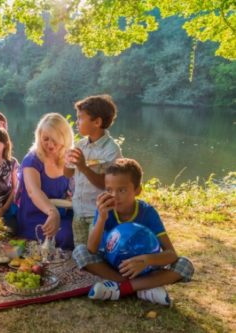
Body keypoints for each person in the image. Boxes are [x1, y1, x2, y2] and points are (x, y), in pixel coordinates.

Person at [72, 158, 194, 305]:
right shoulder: (104, 210)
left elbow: (171, 254)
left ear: (137, 190)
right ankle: (142, 287)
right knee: (80, 251)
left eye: (122, 190)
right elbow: (91, 249)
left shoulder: (148, 212)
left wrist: (146, 260)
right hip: (110, 266)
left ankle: (121, 288)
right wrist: (102, 219)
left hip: (145, 268)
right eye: (109, 189)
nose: (114, 196)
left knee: (185, 265)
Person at [65, 95, 122, 246]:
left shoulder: (111, 150)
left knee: (95, 251)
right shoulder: (80, 145)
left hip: (98, 213)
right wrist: (66, 161)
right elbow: (68, 173)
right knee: (80, 249)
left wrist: (83, 167)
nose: (77, 122)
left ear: (97, 122)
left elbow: (106, 184)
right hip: (79, 211)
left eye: (80, 118)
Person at [16, 113, 75, 249]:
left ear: (65, 138)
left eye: (55, 140)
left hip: (61, 215)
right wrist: (52, 212)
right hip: (34, 217)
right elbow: (33, 191)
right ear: (39, 137)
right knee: (67, 234)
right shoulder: (32, 159)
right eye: (45, 139)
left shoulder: (68, 160)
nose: (50, 144)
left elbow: (71, 190)